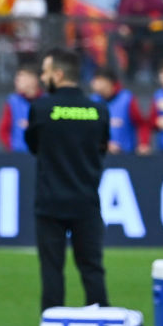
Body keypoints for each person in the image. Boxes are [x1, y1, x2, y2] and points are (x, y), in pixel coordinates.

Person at [24, 48, 111, 311]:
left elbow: (33, 145)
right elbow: (102, 147)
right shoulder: (99, 111)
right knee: (92, 268)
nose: (42, 77)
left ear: (58, 74)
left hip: (50, 201)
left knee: (52, 269)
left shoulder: (41, 108)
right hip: (86, 200)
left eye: (46, 72)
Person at [89, 68, 149, 154]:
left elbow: (141, 123)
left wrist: (143, 143)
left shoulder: (127, 99)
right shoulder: (93, 100)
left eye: (98, 80)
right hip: (100, 155)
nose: (93, 84)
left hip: (126, 155)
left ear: (108, 82)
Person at [0, 64, 42, 152]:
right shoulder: (13, 101)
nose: (16, 82)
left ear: (33, 80)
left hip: (40, 155)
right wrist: (11, 148)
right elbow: (3, 130)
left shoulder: (46, 101)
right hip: (18, 154)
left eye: (20, 79)